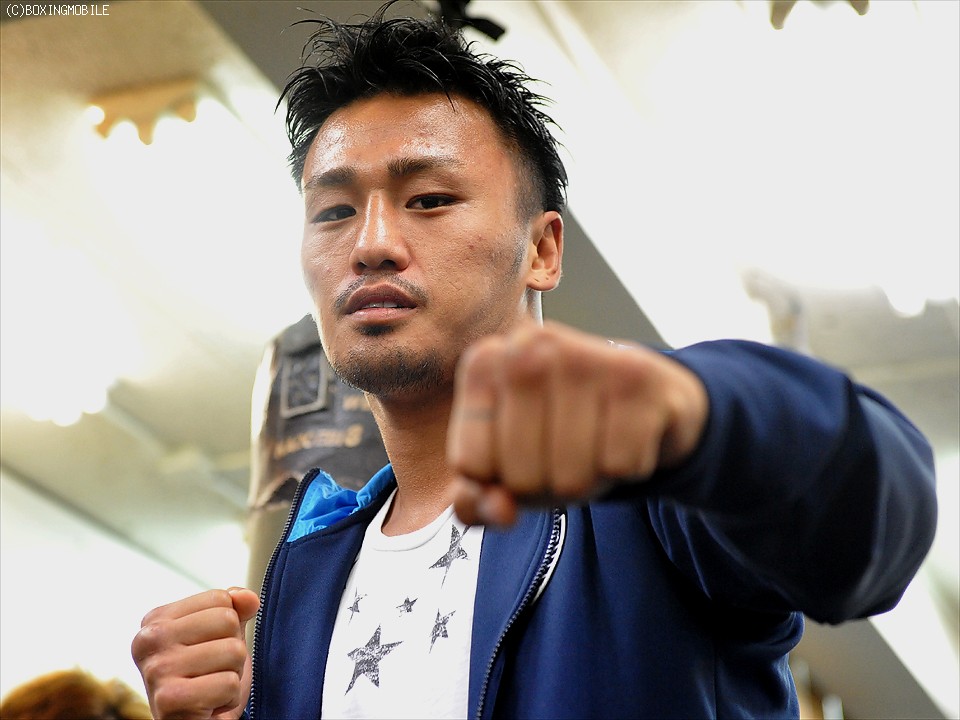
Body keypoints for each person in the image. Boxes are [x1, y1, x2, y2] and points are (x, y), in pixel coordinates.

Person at [131, 6, 937, 719]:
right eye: (334, 211)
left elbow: (875, 520)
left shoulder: (648, 497)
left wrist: (697, 417)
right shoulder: (302, 583)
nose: (370, 243)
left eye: (429, 199)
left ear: (543, 249)